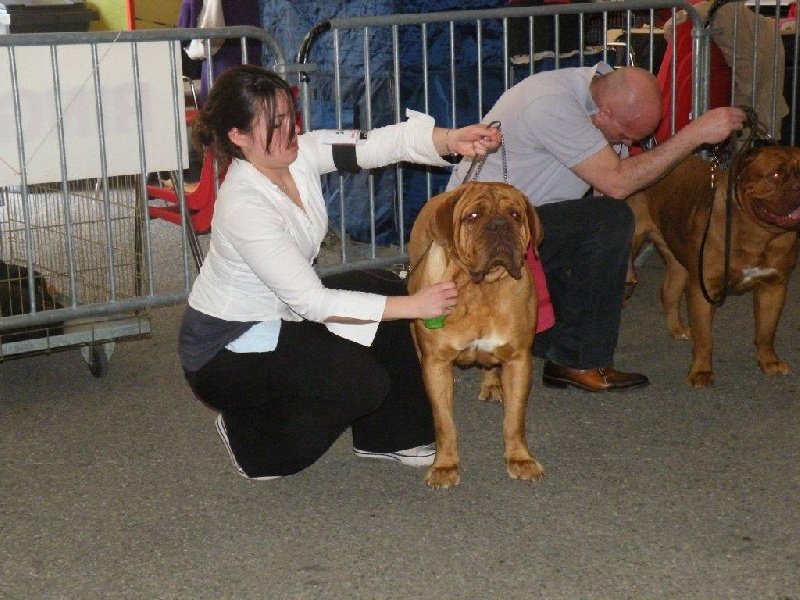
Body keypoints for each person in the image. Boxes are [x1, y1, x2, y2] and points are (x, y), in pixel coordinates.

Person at [179, 65, 501, 480]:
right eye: (273, 123)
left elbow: (378, 144)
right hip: (226, 346)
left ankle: (390, 436)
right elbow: (314, 303)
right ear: (237, 137)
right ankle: (252, 442)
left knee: (380, 289)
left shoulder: (301, 154)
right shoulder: (244, 205)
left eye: (289, 114)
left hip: (281, 312)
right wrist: (413, 304)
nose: (290, 128)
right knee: (360, 381)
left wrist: (451, 139)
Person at [447, 64, 746, 392]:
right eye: (627, 136)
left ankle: (555, 347)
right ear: (603, 115)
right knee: (608, 220)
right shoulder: (551, 104)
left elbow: (606, 189)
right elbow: (616, 183)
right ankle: (579, 360)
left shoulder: (596, 92)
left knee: (605, 220)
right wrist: (694, 135)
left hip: (529, 224)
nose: (630, 143)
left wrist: (624, 259)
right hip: (482, 239)